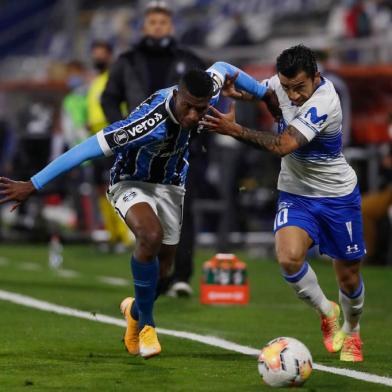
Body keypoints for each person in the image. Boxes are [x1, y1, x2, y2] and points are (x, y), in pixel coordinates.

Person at [0, 62, 267, 359]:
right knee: (149, 236)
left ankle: (134, 313)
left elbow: (222, 67)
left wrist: (263, 93)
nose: (194, 116)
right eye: (189, 107)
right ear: (178, 95)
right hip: (131, 182)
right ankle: (148, 326)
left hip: (171, 185)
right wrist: (33, 184)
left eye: (200, 109)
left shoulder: (208, 91)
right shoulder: (145, 125)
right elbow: (83, 150)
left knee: (164, 273)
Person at [201, 45, 366, 362]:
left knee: (348, 277)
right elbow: (264, 91)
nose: (293, 96)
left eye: (299, 88)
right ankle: (325, 310)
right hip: (295, 192)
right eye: (288, 87)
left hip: (337, 196)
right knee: (289, 258)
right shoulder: (284, 86)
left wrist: (234, 129)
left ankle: (353, 330)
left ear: (316, 77)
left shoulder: (324, 102)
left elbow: (283, 145)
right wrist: (240, 90)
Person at [101, 1, 207, 296]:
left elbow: (206, 100)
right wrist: (124, 131)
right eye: (153, 22)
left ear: (170, 26)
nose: (158, 27)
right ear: (144, 26)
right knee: (148, 222)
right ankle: (154, 277)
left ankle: (181, 276)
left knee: (183, 211)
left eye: (163, 22)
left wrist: (199, 138)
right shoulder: (127, 61)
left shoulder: (189, 59)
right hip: (139, 155)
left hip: (183, 152)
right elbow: (109, 98)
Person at [87, 41, 132, 252]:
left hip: (112, 138)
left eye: (101, 54)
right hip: (95, 139)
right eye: (95, 54)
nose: (97, 58)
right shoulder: (96, 81)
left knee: (117, 186)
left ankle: (126, 236)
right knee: (101, 189)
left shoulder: (117, 79)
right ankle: (112, 234)